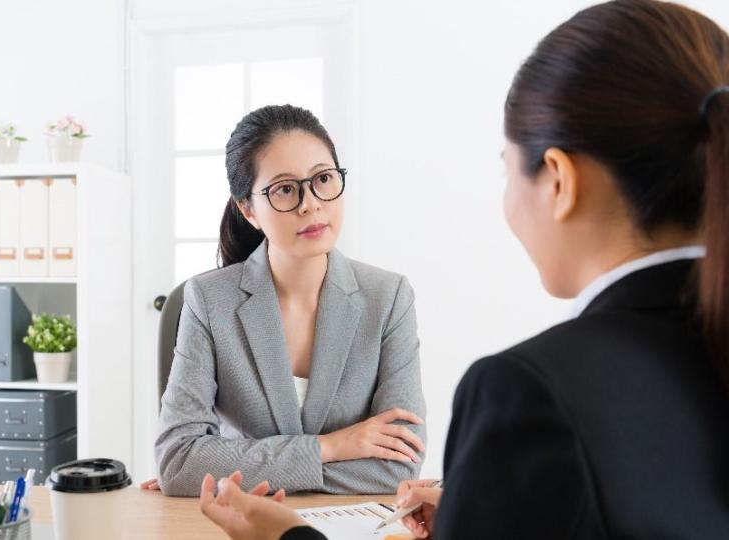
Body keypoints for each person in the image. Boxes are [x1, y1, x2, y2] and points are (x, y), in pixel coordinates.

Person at [198, 0, 729, 537]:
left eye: (506, 167)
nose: (310, 203)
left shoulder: (528, 392)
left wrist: (286, 536)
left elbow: (399, 459)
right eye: (285, 189)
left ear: (560, 181)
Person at [150, 104, 427, 496]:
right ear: (248, 209)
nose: (311, 203)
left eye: (323, 179)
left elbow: (397, 470)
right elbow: (179, 463)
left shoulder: (389, 297)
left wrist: (228, 471)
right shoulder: (207, 300)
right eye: (284, 189)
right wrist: (329, 447)